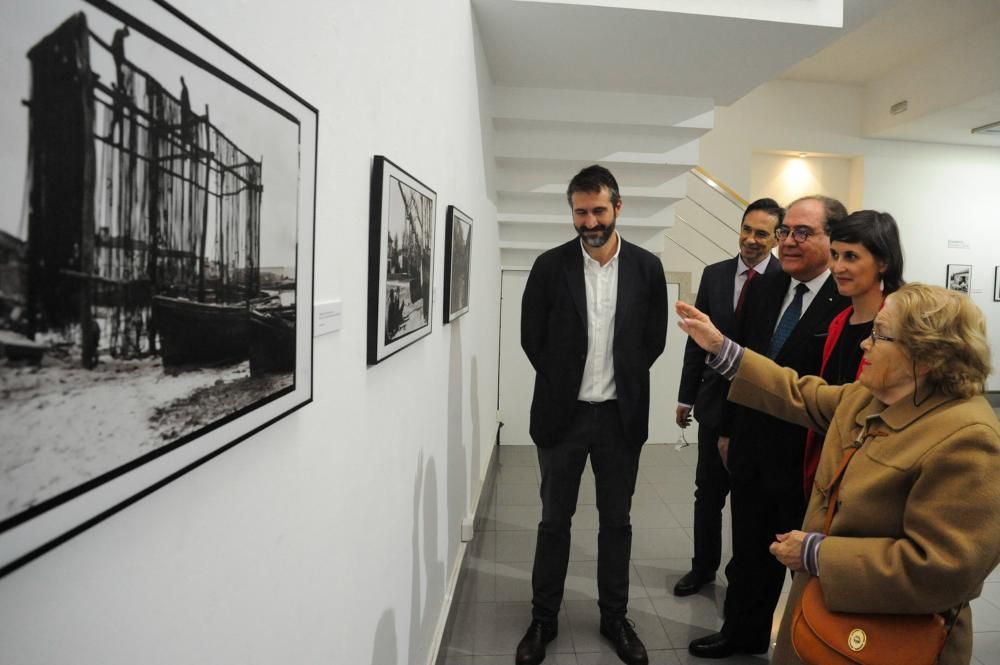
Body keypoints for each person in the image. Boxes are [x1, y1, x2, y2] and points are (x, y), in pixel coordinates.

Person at [675, 283, 1000, 665]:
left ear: (925, 354)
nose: (865, 343)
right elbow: (798, 393)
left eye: (879, 334)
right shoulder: (871, 396)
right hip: (829, 619)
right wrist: (721, 348)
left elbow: (942, 569)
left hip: (890, 640)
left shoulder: (968, 439)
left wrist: (817, 554)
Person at [517, 164, 668, 665]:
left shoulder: (647, 268)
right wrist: (566, 382)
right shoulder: (548, 266)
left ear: (618, 207)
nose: (589, 221)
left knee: (616, 523)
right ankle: (543, 619)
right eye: (580, 212)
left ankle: (614, 618)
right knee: (553, 521)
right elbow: (531, 339)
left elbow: (653, 340)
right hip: (562, 420)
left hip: (620, 420)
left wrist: (617, 381)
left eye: (598, 210)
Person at [689, 195, 849, 659]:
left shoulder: (845, 301)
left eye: (803, 232)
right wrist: (727, 430)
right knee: (749, 556)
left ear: (832, 238)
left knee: (806, 564)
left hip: (808, 462)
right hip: (752, 451)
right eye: (786, 232)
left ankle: (808, 645)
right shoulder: (765, 287)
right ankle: (742, 633)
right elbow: (740, 365)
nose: (789, 241)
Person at [673, 198, 783, 597]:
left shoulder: (783, 281)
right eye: (746, 229)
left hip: (757, 412)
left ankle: (741, 580)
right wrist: (686, 396)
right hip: (712, 406)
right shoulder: (715, 274)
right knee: (708, 494)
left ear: (775, 239)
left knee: (748, 503)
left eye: (761, 233)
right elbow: (696, 342)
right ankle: (702, 569)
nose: (751, 240)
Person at [801, 210, 905, 496]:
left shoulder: (901, 326)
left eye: (851, 257)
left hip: (871, 468)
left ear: (883, 262)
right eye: (834, 255)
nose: (837, 267)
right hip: (828, 456)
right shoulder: (838, 322)